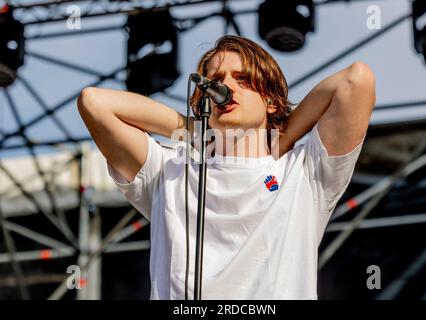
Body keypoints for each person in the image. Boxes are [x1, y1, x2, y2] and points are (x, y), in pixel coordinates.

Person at [77, 35, 376, 299]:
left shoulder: (301, 170)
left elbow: (356, 81)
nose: (226, 87)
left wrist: (285, 135)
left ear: (271, 101)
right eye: (216, 80)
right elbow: (94, 103)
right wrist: (195, 130)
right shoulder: (169, 170)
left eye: (242, 79)